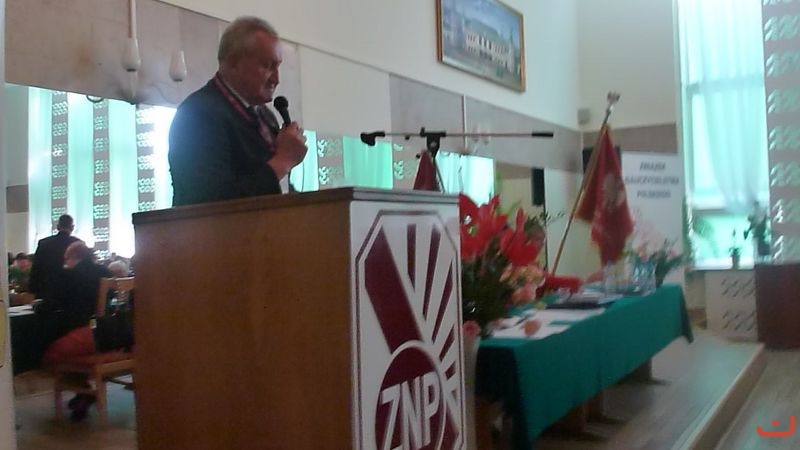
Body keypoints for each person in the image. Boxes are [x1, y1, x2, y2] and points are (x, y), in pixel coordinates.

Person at [168, 16, 308, 206]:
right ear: (234, 63)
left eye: (278, 67)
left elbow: (272, 187)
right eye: (267, 66)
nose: (276, 79)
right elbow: (210, 202)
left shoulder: (265, 116)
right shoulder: (197, 115)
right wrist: (283, 160)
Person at [39, 241, 112, 421]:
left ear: (72, 257)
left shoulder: (69, 275)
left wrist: (37, 307)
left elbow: (49, 305)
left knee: (49, 353)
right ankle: (82, 394)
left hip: (82, 337)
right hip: (106, 336)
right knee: (68, 348)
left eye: (66, 259)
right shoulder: (105, 272)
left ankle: (84, 391)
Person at [29, 214, 80, 301]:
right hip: (71, 291)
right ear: (72, 227)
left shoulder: (44, 243)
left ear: (58, 227)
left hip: (47, 290)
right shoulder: (78, 244)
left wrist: (33, 289)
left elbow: (36, 268)